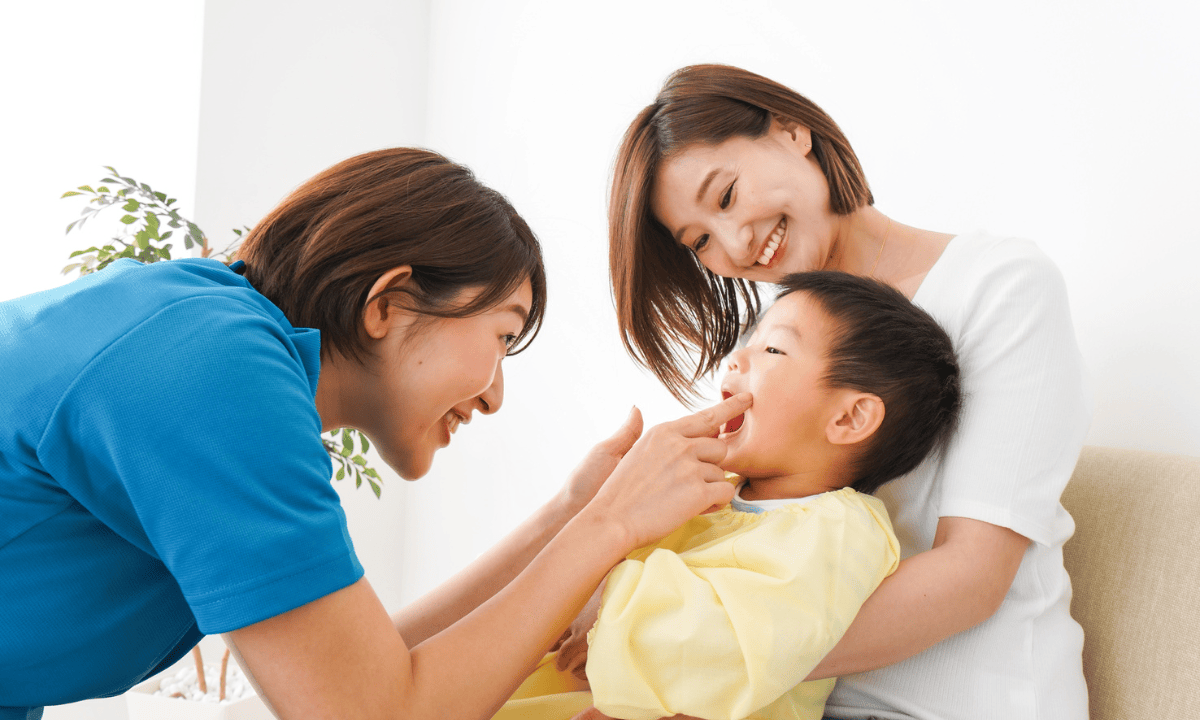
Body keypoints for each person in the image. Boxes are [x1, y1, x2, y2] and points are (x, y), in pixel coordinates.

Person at [0, 147, 753, 720]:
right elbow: (370, 713)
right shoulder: (210, 374)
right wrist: (611, 524)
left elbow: (370, 670)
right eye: (502, 333)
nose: (495, 394)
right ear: (390, 301)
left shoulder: (215, 342)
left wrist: (568, 515)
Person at [595, 64, 1093, 720]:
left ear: (791, 131)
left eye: (726, 196)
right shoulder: (768, 344)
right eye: (701, 241)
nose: (737, 243)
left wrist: (693, 662)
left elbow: (970, 578)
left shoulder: (999, 287)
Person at [493, 271, 962, 720]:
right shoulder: (701, 494)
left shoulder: (840, 529)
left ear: (849, 419)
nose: (735, 360)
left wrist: (601, 606)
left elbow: (736, 645)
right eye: (747, 342)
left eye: (774, 348)